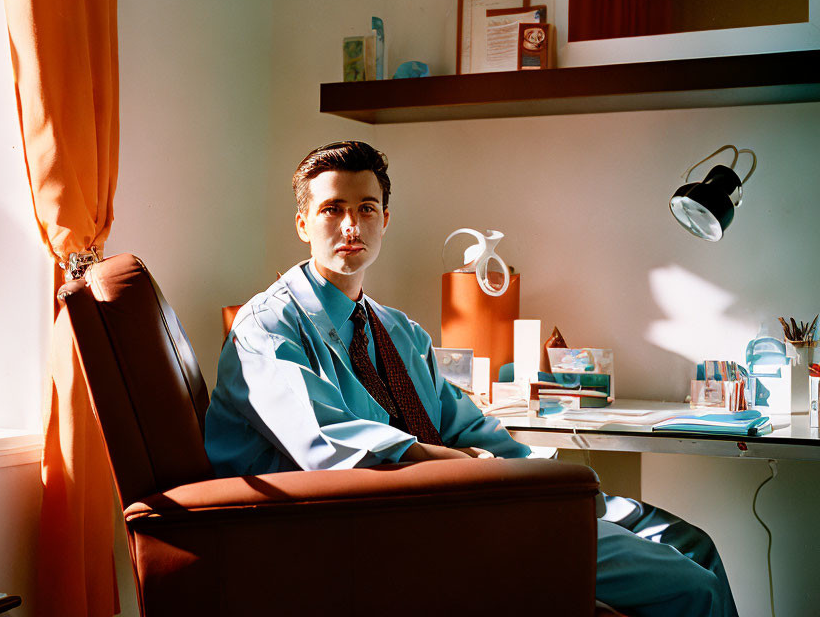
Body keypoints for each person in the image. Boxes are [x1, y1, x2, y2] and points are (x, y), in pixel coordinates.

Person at [205, 140, 738, 617]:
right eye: (332, 209)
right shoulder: (267, 328)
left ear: (385, 220)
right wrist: (460, 468)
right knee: (693, 589)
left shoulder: (399, 331)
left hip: (465, 498)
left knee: (695, 544)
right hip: (375, 529)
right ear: (303, 224)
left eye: (365, 209)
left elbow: (465, 424)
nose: (351, 226)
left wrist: (540, 478)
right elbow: (327, 445)